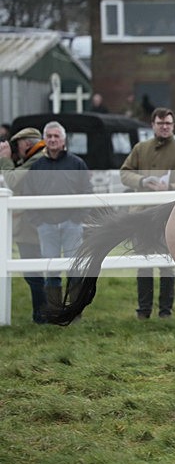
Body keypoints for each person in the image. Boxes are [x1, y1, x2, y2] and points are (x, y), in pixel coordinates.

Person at [120, 108, 175, 320]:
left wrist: (169, 187)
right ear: (153, 125)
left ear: (173, 125)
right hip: (142, 215)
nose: (164, 127)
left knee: (166, 265)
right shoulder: (140, 148)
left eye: (168, 124)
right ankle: (143, 310)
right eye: (161, 123)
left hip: (169, 215)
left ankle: (165, 312)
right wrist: (142, 181)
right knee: (143, 263)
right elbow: (125, 172)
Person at [22, 121, 92, 311]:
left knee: (74, 269)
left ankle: (74, 311)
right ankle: (55, 311)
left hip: (72, 225)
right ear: (44, 139)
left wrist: (77, 218)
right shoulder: (37, 166)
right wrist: (39, 222)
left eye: (56, 136)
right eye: (49, 136)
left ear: (63, 140)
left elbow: (87, 191)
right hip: (46, 226)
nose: (53, 140)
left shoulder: (76, 163)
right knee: (51, 269)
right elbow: (28, 195)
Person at [0, 128, 48, 323]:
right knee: (34, 272)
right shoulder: (34, 158)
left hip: (33, 226)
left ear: (26, 143)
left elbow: (11, 181)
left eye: (16, 144)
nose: (15, 149)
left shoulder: (37, 159)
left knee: (34, 272)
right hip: (31, 225)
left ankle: (42, 315)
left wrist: (4, 159)